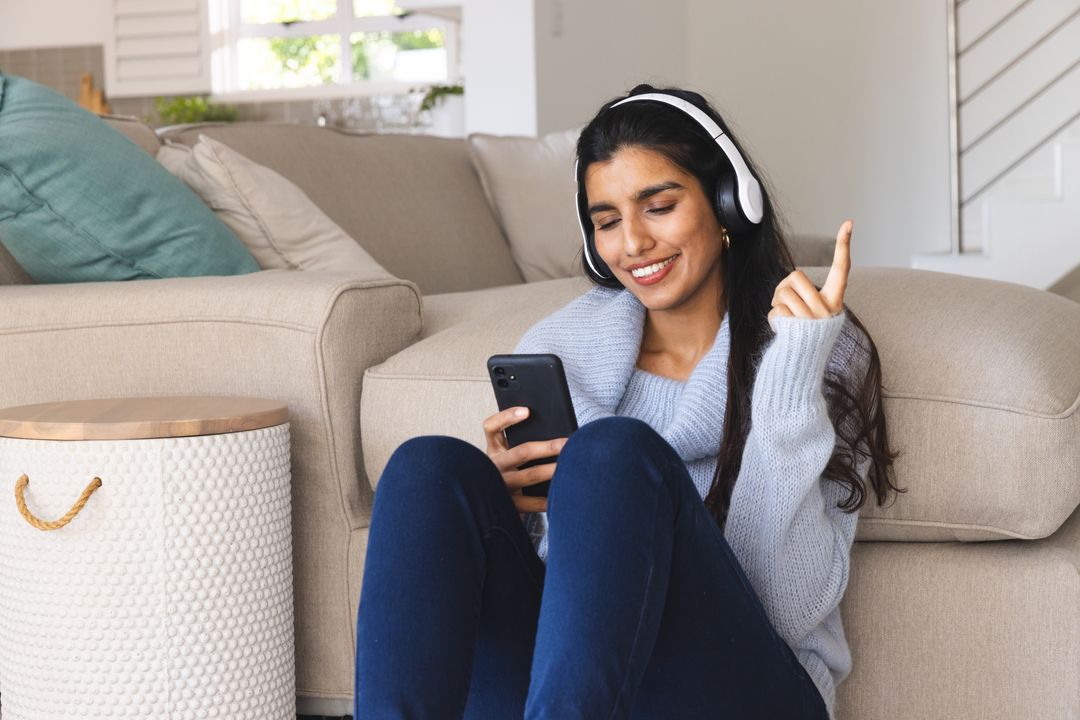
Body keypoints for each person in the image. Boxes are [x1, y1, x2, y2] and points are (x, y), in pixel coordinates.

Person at [354, 84, 903, 720]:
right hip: (578, 687)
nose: (634, 243)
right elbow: (559, 601)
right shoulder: (560, 347)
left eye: (659, 206)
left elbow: (783, 605)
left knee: (612, 452)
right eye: (608, 222)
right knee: (431, 470)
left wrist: (788, 375)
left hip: (745, 690)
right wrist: (511, 508)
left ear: (729, 203)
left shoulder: (816, 345)